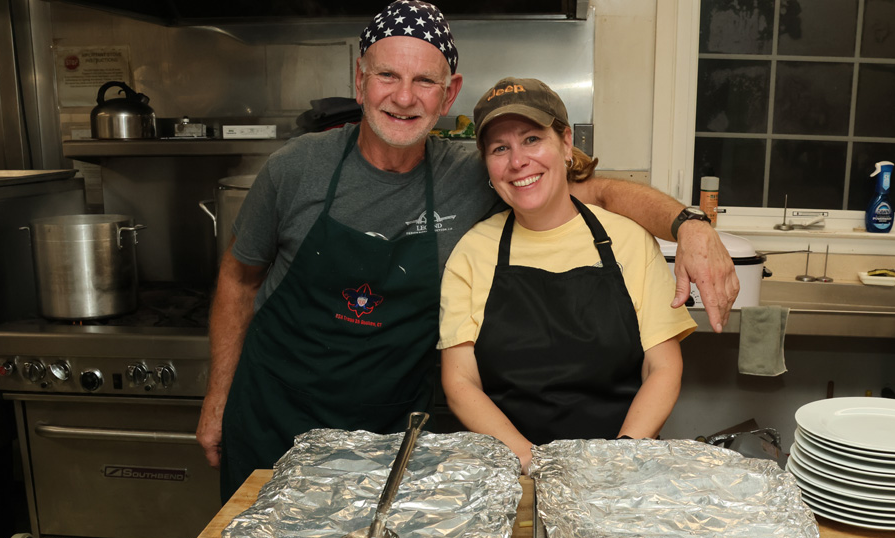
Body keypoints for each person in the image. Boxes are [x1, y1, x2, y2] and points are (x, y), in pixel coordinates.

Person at [196, 0, 738, 501]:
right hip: (275, 417)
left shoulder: (469, 171)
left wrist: (689, 224)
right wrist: (218, 398)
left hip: (390, 433)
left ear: (447, 94)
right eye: (387, 75)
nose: (403, 97)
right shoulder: (296, 168)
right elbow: (239, 279)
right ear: (359, 82)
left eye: (423, 80)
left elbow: (593, 192)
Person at [438, 78, 697, 473]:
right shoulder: (472, 252)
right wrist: (532, 462)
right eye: (500, 148)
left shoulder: (627, 240)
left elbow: (662, 367)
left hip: (619, 467)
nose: (517, 161)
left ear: (565, 142)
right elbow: (461, 384)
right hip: (510, 471)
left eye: (531, 139)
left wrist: (619, 458)